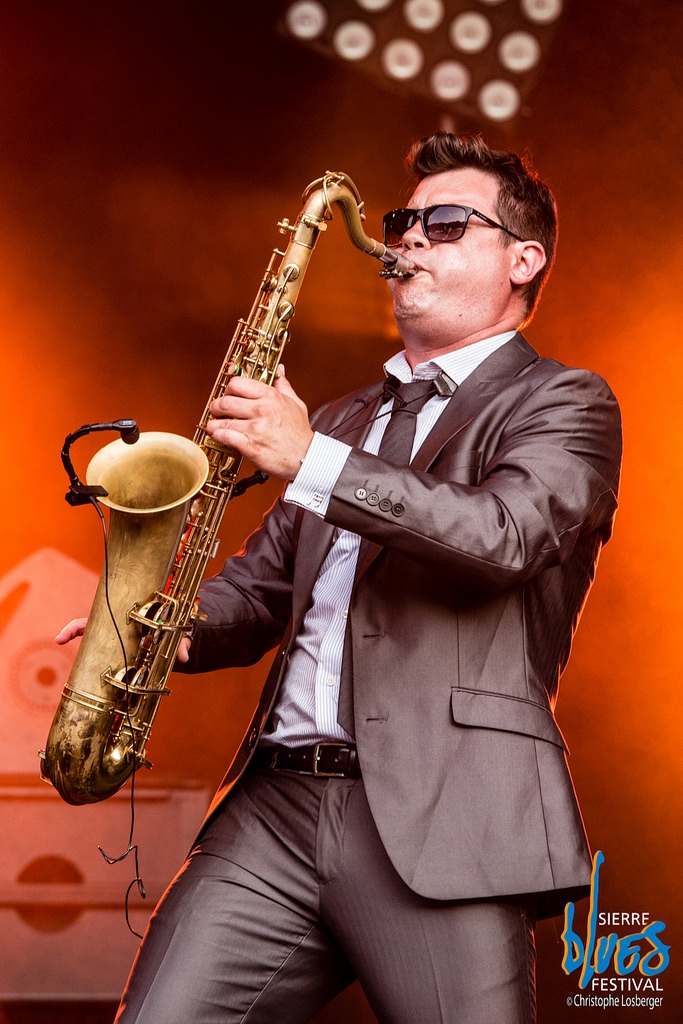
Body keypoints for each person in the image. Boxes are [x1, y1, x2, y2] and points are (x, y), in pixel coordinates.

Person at [58, 132, 622, 1023]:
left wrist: (309, 456)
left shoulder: (564, 401)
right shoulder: (342, 419)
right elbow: (260, 596)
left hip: (447, 815)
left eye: (444, 224)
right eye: (403, 223)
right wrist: (136, 617)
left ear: (524, 260)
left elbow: (504, 536)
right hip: (274, 810)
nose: (408, 241)